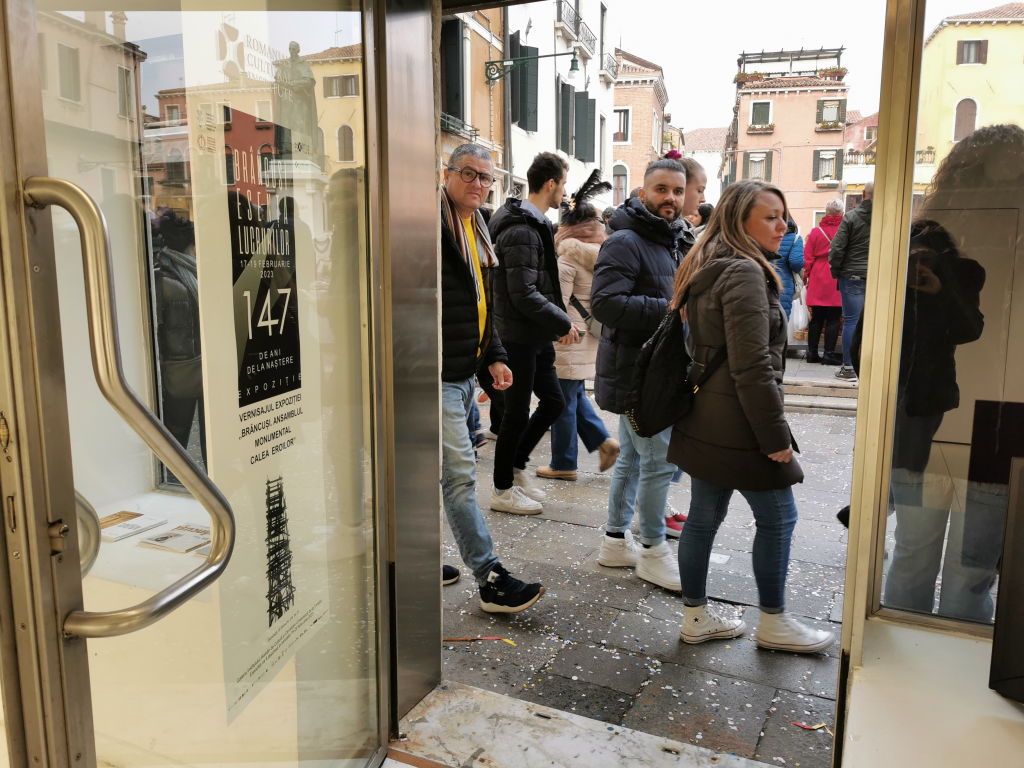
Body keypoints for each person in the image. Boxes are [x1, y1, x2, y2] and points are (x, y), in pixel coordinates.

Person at [668, 179, 835, 653]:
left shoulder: (709, 262)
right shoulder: (743, 272)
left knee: (704, 517)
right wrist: (775, 437)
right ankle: (774, 622)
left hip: (707, 414)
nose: (784, 226)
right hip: (739, 421)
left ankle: (696, 617)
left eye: (784, 216)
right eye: (771, 217)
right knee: (780, 518)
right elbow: (752, 366)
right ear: (739, 221)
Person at [439, 143, 544, 612]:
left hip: (465, 371)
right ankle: (490, 578)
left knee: (434, 473)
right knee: (460, 477)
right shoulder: (430, 225)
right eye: (468, 173)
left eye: (486, 177)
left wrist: (493, 357)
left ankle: (411, 557)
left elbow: (481, 306)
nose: (478, 183)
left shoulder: (478, 227)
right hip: (437, 373)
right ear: (446, 174)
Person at [591, 158, 696, 590]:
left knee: (635, 461)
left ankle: (616, 541)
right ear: (642, 193)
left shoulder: (673, 239)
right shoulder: (626, 241)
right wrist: (673, 310)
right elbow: (605, 304)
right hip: (638, 374)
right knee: (656, 463)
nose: (670, 198)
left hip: (651, 370)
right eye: (661, 190)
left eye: (677, 191)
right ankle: (653, 550)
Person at [488, 152, 575, 514]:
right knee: (516, 415)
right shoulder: (522, 229)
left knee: (554, 402)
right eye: (563, 184)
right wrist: (562, 321)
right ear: (551, 183)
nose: (565, 192)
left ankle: (516, 467)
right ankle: (502, 490)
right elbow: (523, 293)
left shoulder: (534, 223)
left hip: (534, 335)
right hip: (517, 336)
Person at [536, 170, 621, 482]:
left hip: (568, 338)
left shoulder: (567, 259)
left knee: (561, 402)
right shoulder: (604, 255)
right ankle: (604, 443)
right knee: (572, 394)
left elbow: (557, 303)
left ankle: (563, 463)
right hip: (590, 336)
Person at [829, 182, 873, 380]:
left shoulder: (851, 217)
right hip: (879, 277)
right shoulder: (888, 217)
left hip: (852, 276)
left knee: (851, 322)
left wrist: (837, 271)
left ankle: (849, 368)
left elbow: (837, 249)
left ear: (863, 194)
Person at [803, 200, 844, 364]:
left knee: (817, 317)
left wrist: (805, 278)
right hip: (836, 275)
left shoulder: (815, 232)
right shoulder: (845, 231)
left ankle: (812, 353)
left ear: (826, 213)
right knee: (834, 317)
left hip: (818, 276)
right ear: (842, 213)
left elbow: (807, 258)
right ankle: (829, 355)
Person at [772, 220, 805, 319]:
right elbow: (796, 262)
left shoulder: (765, 236)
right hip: (784, 282)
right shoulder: (795, 238)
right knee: (781, 318)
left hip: (763, 279)